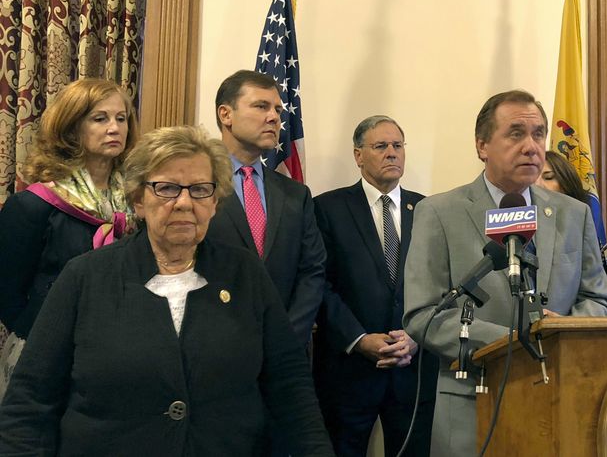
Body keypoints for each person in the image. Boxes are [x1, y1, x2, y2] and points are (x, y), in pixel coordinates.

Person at [0, 126, 333, 455]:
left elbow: (291, 391)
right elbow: (29, 404)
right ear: (138, 200)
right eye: (167, 188)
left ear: (215, 201)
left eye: (200, 189)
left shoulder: (245, 274)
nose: (184, 203)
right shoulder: (84, 277)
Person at [402, 89, 607, 457]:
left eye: (538, 134)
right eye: (515, 133)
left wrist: (558, 332)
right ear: (482, 145)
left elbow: (600, 301)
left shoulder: (572, 213)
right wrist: (515, 341)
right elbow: (423, 315)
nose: (532, 146)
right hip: (473, 403)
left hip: (561, 403)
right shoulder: (438, 212)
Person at [0, 79, 138, 396]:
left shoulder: (139, 200)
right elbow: (8, 293)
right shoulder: (35, 204)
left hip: (121, 352)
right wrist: (46, 334)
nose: (115, 127)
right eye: (100, 118)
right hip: (46, 354)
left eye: (121, 118)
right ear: (72, 127)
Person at [313, 115, 437, 456]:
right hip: (349, 371)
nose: (392, 153)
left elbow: (443, 284)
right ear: (358, 155)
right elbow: (319, 285)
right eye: (380, 146)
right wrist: (359, 339)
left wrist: (416, 336)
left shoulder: (428, 209)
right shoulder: (327, 208)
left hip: (413, 370)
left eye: (398, 145)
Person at [205, 70, 325, 350]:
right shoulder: (195, 186)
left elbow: (312, 271)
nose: (274, 117)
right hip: (212, 348)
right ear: (226, 115)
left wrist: (285, 337)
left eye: (278, 109)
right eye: (261, 106)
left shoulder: (296, 194)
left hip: (283, 354)